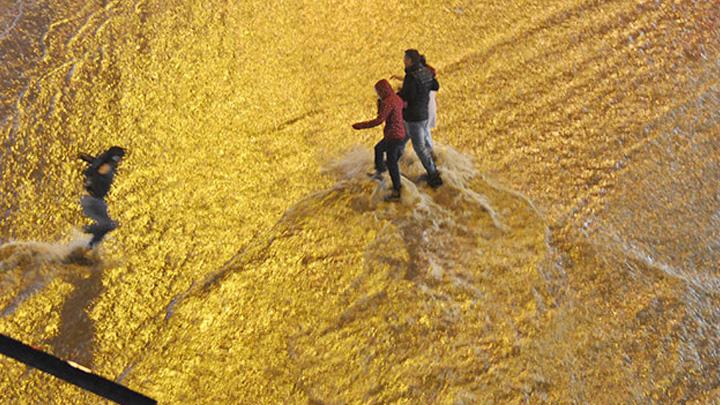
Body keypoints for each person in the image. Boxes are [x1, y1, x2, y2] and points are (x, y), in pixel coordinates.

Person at [352, 79, 406, 202]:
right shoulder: (396, 98)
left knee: (392, 163)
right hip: (400, 133)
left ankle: (397, 189)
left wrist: (361, 125)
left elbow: (379, 120)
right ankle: (380, 171)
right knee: (379, 148)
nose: (378, 94)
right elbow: (402, 106)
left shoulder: (387, 102)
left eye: (378, 92)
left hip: (393, 135)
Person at [397, 49, 443, 188]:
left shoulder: (411, 77)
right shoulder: (426, 73)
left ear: (410, 60)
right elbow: (435, 85)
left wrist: (393, 96)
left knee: (419, 148)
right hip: (423, 114)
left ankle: (433, 174)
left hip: (413, 117)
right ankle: (392, 162)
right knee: (401, 139)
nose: (403, 60)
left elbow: (407, 96)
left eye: (405, 58)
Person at [77, 146, 125, 248]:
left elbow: (96, 165)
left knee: (108, 225)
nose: (120, 161)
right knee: (108, 225)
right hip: (92, 200)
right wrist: (112, 163)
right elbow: (101, 170)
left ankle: (88, 244)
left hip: (95, 200)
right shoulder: (107, 165)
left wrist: (88, 159)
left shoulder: (99, 163)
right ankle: (84, 233)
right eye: (120, 158)